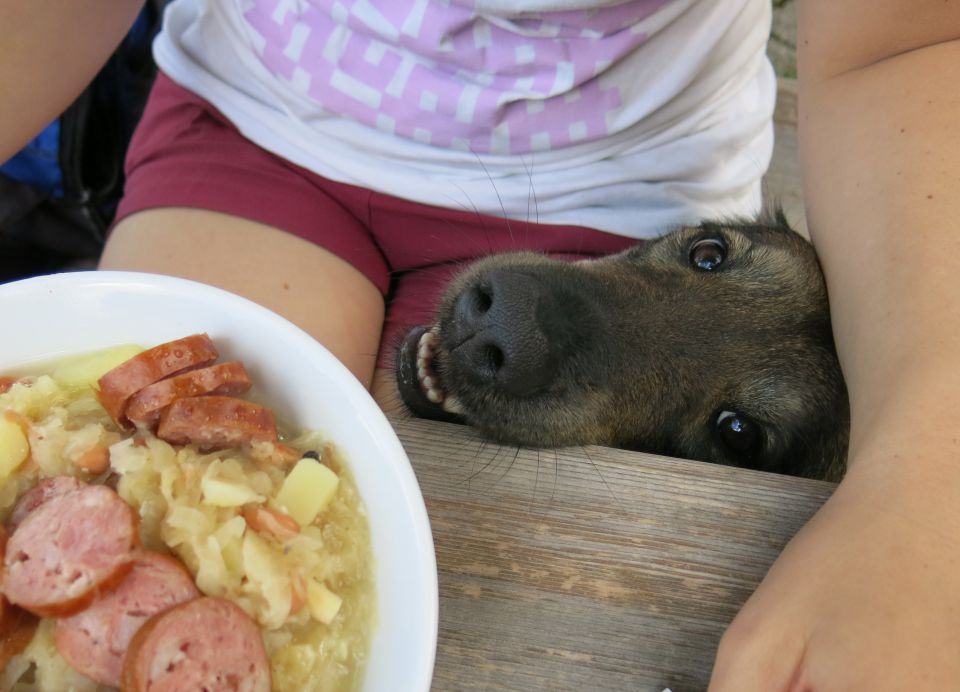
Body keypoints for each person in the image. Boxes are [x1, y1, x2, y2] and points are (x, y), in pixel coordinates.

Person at [3, 1, 960, 687]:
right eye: (711, 258)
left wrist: (925, 496)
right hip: (270, 119)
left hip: (601, 186)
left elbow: (911, 38)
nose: (506, 324)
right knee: (134, 521)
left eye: (741, 430)